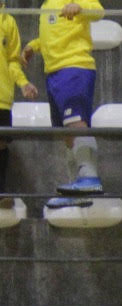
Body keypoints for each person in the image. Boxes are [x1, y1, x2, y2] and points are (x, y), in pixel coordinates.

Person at [21, 0, 104, 207]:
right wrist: (34, 46)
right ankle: (76, 188)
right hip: (53, 73)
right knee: (66, 132)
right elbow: (52, 36)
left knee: (76, 122)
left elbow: (98, 11)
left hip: (74, 67)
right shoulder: (46, 5)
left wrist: (79, 7)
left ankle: (89, 177)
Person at [0, 0, 39, 212]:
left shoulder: (8, 22)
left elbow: (13, 61)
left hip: (1, 97)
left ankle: (0, 193)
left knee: (1, 144)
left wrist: (23, 83)